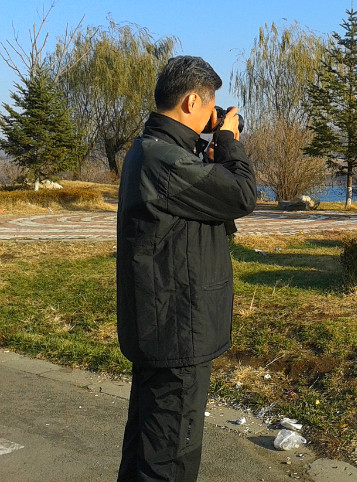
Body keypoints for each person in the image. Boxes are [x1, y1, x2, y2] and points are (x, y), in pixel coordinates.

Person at [116, 55, 256, 481]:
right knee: (168, 461)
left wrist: (212, 146)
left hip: (164, 326)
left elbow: (209, 207)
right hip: (177, 333)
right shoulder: (164, 159)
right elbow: (241, 196)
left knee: (146, 451)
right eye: (210, 105)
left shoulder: (157, 151)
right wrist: (230, 140)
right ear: (193, 101)